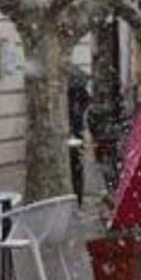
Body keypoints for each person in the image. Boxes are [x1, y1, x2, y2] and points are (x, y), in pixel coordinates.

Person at [66, 67, 91, 204]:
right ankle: (77, 195)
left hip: (74, 133)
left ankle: (77, 194)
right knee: (77, 164)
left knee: (76, 163)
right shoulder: (81, 95)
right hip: (75, 133)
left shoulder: (77, 96)